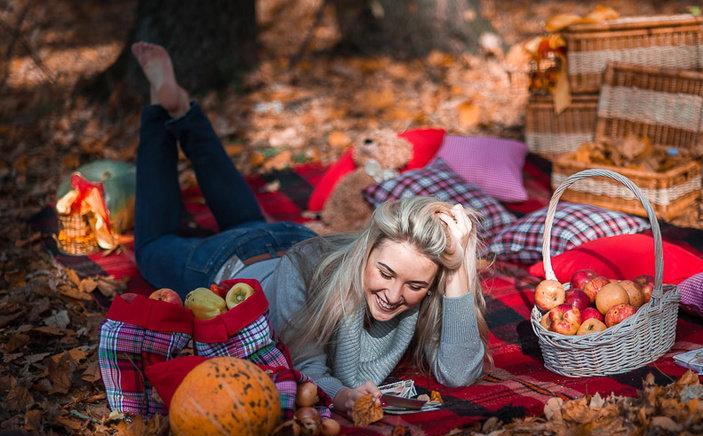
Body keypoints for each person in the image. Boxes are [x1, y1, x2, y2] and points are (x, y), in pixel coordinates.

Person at [131, 42, 491, 414]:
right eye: (386, 272)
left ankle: (184, 111)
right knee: (152, 246)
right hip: (234, 262)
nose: (394, 294)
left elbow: (460, 372)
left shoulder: (421, 289)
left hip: (290, 238)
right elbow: (306, 365)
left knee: (248, 220)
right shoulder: (306, 277)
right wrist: (339, 394)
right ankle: (160, 111)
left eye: (415, 285)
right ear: (366, 249)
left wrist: (457, 267)